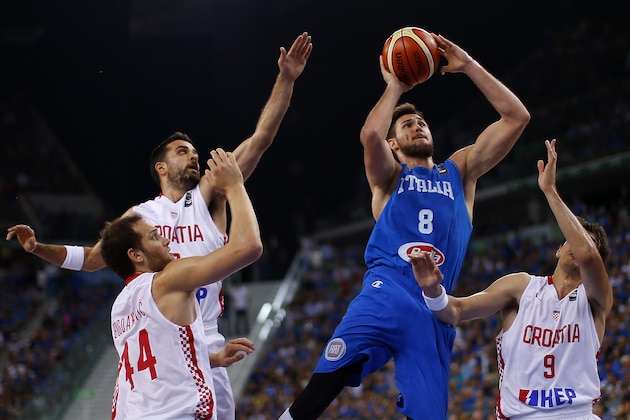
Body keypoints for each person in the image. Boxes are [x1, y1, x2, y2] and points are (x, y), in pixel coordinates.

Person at [7, 31, 313, 420]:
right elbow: (91, 258)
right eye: (183, 152)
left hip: (204, 335)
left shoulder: (211, 192)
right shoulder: (138, 218)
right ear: (161, 167)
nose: (194, 157)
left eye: (195, 152)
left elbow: (261, 138)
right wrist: (38, 249)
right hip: (164, 336)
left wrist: (286, 79)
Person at [279, 32, 530, 420]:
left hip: (434, 305)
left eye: (421, 122)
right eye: (407, 125)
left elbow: (517, 117)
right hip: (386, 289)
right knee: (327, 380)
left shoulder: (459, 171)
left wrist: (468, 66)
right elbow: (369, 135)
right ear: (394, 143)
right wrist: (394, 86)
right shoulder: (389, 178)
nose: (417, 126)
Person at [410, 139, 612, 419]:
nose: (577, 248)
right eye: (571, 241)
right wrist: (433, 291)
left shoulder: (596, 299)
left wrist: (550, 191)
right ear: (558, 249)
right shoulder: (521, 286)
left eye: (586, 244)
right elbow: (456, 310)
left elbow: (588, 256)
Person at [102, 148, 262, 419]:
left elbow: (156, 364)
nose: (166, 240)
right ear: (136, 255)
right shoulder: (168, 279)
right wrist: (234, 185)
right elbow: (248, 247)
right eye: (154, 236)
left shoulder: (120, 308)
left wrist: (209, 358)